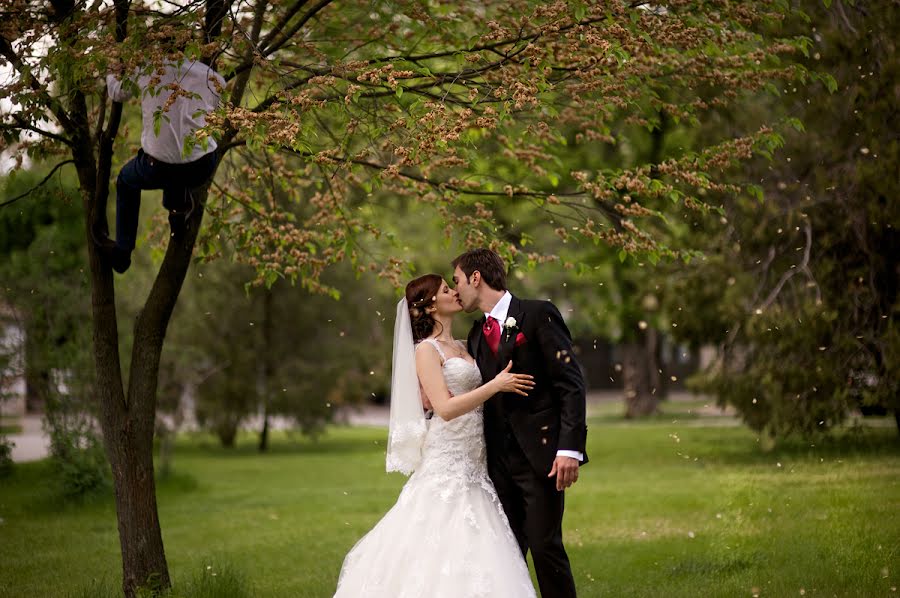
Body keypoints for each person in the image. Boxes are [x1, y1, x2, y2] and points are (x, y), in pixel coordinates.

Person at [333, 274, 538, 598]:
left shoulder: (463, 345)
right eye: (446, 290)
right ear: (429, 306)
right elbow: (443, 408)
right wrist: (495, 385)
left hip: (477, 459)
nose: (455, 292)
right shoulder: (426, 351)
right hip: (448, 456)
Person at [452, 248, 588, 598]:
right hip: (496, 465)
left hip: (541, 459)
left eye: (457, 281)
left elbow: (570, 383)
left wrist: (569, 449)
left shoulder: (538, 314)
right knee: (505, 556)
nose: (456, 291)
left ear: (476, 278)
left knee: (545, 549)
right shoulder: (476, 334)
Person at [97, 52, 225, 273]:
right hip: (200, 167)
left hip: (159, 168)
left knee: (128, 181)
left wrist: (112, 71)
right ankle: (177, 210)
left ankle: (123, 252)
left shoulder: (148, 71)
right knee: (182, 157)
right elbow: (218, 110)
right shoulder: (212, 77)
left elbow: (116, 93)